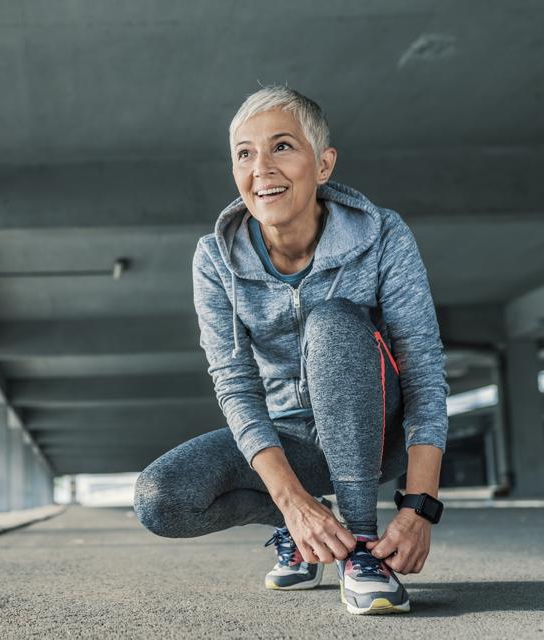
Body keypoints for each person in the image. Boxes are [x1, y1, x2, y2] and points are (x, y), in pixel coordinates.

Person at [132, 86, 448, 615]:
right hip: (289, 442)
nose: (262, 168)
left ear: (323, 164)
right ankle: (306, 530)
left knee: (333, 321)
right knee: (161, 499)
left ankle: (362, 548)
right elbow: (235, 383)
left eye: (282, 146)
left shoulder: (382, 235)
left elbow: (423, 371)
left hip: (376, 432)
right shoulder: (215, 259)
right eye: (245, 153)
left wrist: (420, 507)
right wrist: (293, 504)